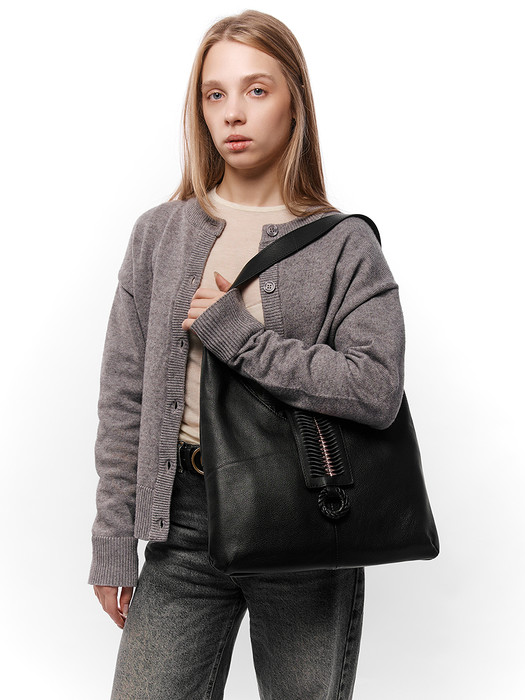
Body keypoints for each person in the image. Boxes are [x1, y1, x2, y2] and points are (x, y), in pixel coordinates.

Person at [88, 9, 405, 699]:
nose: (233, 112)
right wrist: (113, 539)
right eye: (215, 94)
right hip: (180, 523)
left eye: (256, 90)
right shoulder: (160, 234)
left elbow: (376, 389)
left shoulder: (343, 245)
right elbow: (124, 396)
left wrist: (242, 337)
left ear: (294, 100)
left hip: (306, 524)